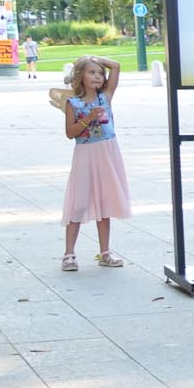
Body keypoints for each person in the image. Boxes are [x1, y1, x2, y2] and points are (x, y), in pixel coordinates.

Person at [59, 54, 131, 270]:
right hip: (85, 154)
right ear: (80, 76)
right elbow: (70, 133)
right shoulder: (73, 103)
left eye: (100, 73)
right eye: (91, 72)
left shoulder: (105, 97)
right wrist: (88, 119)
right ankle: (69, 253)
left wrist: (93, 58)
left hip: (107, 153)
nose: (98, 76)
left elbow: (116, 66)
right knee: (79, 202)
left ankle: (105, 252)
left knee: (104, 202)